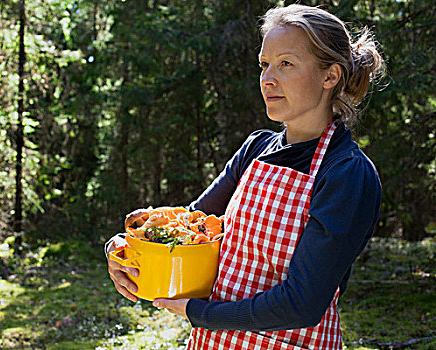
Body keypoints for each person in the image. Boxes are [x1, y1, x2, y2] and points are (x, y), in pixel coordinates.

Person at [106, 4, 385, 349]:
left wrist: (199, 313)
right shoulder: (256, 149)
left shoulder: (346, 173)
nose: (268, 78)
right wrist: (124, 248)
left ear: (330, 76)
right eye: (264, 64)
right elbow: (190, 231)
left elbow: (302, 304)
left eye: (286, 64)